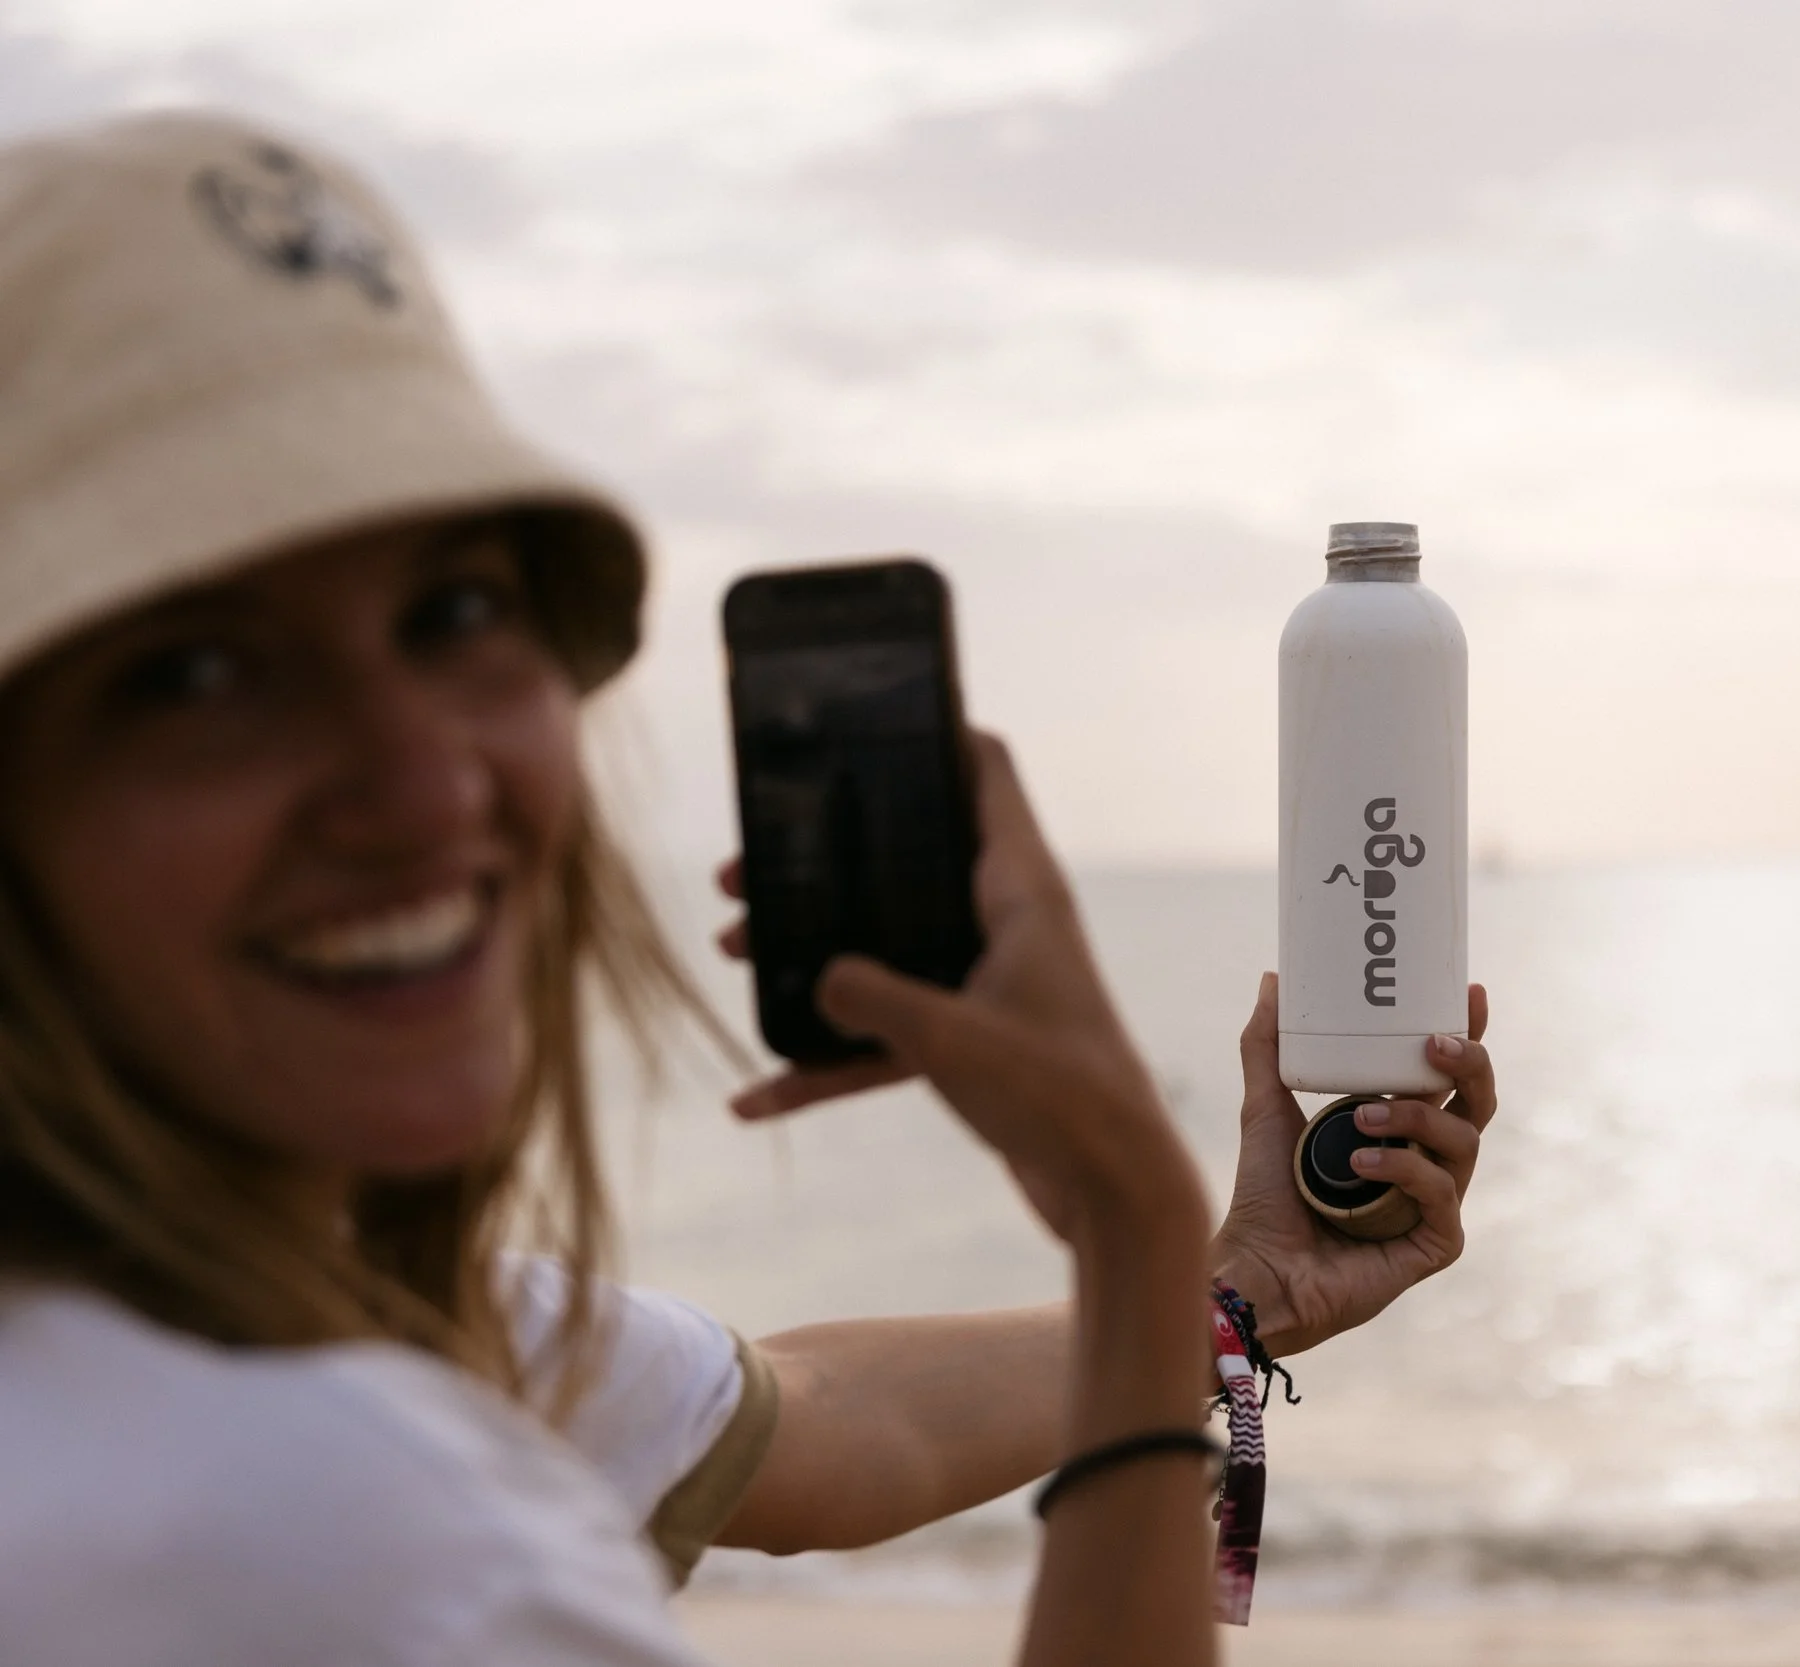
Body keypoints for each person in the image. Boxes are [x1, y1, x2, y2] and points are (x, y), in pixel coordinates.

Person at [0, 113, 1499, 1667]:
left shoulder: (331, 1317)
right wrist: (1124, 1223)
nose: (427, 781)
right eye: (197, 673)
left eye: (454, 609)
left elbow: (818, 1430)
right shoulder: (334, 1532)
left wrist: (1230, 1288)